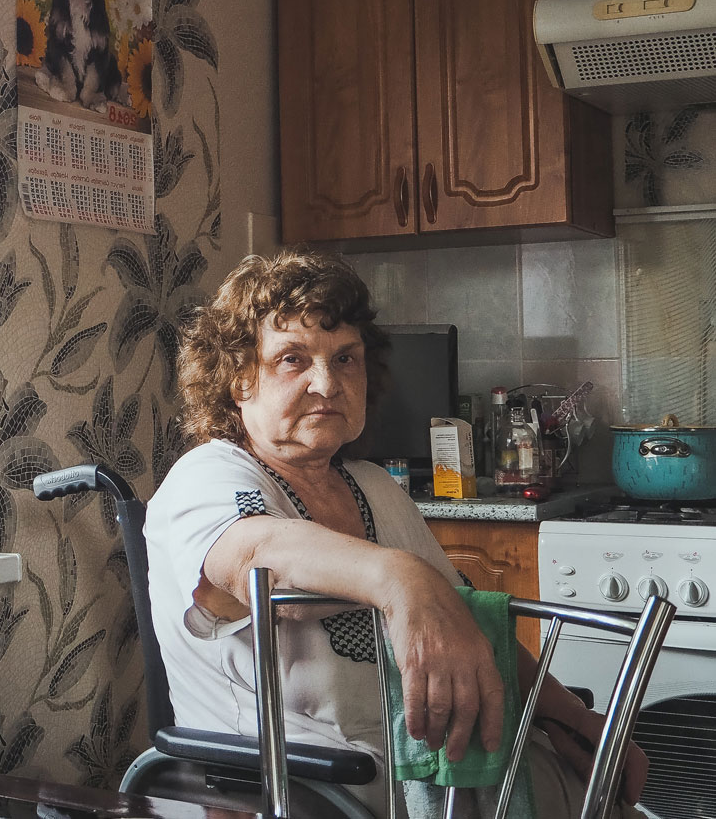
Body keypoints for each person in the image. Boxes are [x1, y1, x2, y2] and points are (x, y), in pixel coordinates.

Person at [145, 249, 649, 818]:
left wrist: (573, 721)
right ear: (239, 379)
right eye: (292, 359)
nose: (327, 383)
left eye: (346, 358)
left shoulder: (374, 487)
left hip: (429, 775)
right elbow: (254, 556)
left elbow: (470, 625)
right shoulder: (208, 476)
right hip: (300, 790)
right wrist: (401, 580)